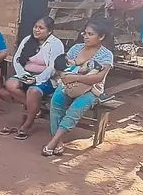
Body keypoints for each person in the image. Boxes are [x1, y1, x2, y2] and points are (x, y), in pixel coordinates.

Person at [42, 18, 115, 156]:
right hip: (68, 85)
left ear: (101, 36)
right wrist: (65, 76)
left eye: (90, 34)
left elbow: (98, 78)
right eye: (85, 33)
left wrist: (75, 78)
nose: (86, 36)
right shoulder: (76, 49)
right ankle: (58, 142)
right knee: (56, 103)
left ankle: (53, 141)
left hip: (91, 89)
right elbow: (61, 67)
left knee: (75, 110)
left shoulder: (106, 55)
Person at [0, 17, 64, 140]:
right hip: (27, 74)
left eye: (41, 28)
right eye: (35, 27)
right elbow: (17, 59)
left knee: (33, 91)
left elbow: (53, 67)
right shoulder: (28, 40)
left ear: (49, 31)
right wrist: (22, 74)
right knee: (10, 84)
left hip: (47, 77)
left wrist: (37, 79)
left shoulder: (55, 44)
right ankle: (35, 109)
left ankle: (27, 125)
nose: (36, 30)